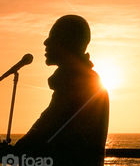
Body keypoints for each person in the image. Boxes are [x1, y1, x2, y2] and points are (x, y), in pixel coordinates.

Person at [13, 15, 109, 166]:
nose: (45, 42)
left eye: (53, 37)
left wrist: (15, 153)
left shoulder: (75, 84)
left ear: (67, 42)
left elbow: (46, 128)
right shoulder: (87, 81)